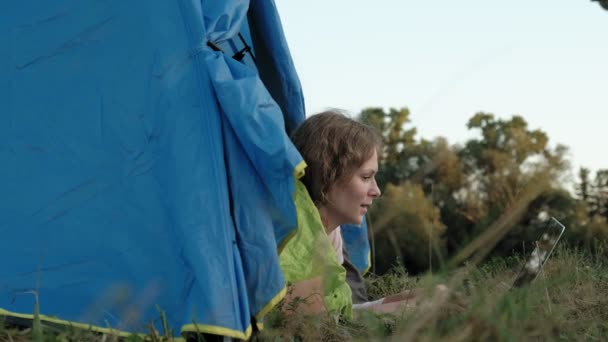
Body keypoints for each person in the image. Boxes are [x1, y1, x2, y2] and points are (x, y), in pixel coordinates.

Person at [278, 110, 449, 317]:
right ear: (327, 175)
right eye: (366, 177)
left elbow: (332, 311)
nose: (376, 191)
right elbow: (300, 316)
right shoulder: (292, 229)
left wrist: (392, 301)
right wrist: (387, 310)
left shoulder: (330, 232)